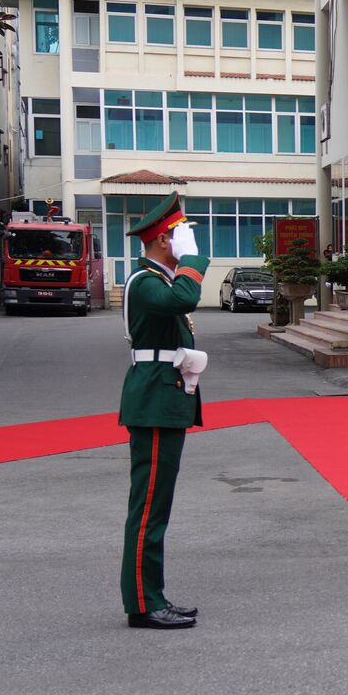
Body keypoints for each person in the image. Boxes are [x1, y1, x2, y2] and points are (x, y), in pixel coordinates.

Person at [117, 191, 209, 629]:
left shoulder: (160, 280)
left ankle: (152, 594)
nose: (186, 241)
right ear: (162, 241)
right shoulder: (147, 281)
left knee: (158, 506)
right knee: (149, 507)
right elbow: (185, 300)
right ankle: (142, 602)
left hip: (165, 399)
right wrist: (193, 261)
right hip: (154, 402)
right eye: (179, 235)